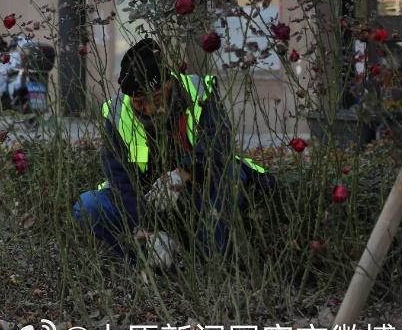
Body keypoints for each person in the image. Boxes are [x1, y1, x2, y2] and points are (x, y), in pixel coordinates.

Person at [72, 38, 271, 258]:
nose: (148, 109)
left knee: (230, 175)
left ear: (168, 84)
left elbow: (218, 142)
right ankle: (145, 258)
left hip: (197, 190)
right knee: (88, 205)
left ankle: (209, 261)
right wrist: (149, 228)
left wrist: (183, 173)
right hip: (146, 198)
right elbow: (119, 176)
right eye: (139, 102)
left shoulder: (199, 92)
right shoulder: (117, 112)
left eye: (155, 99)